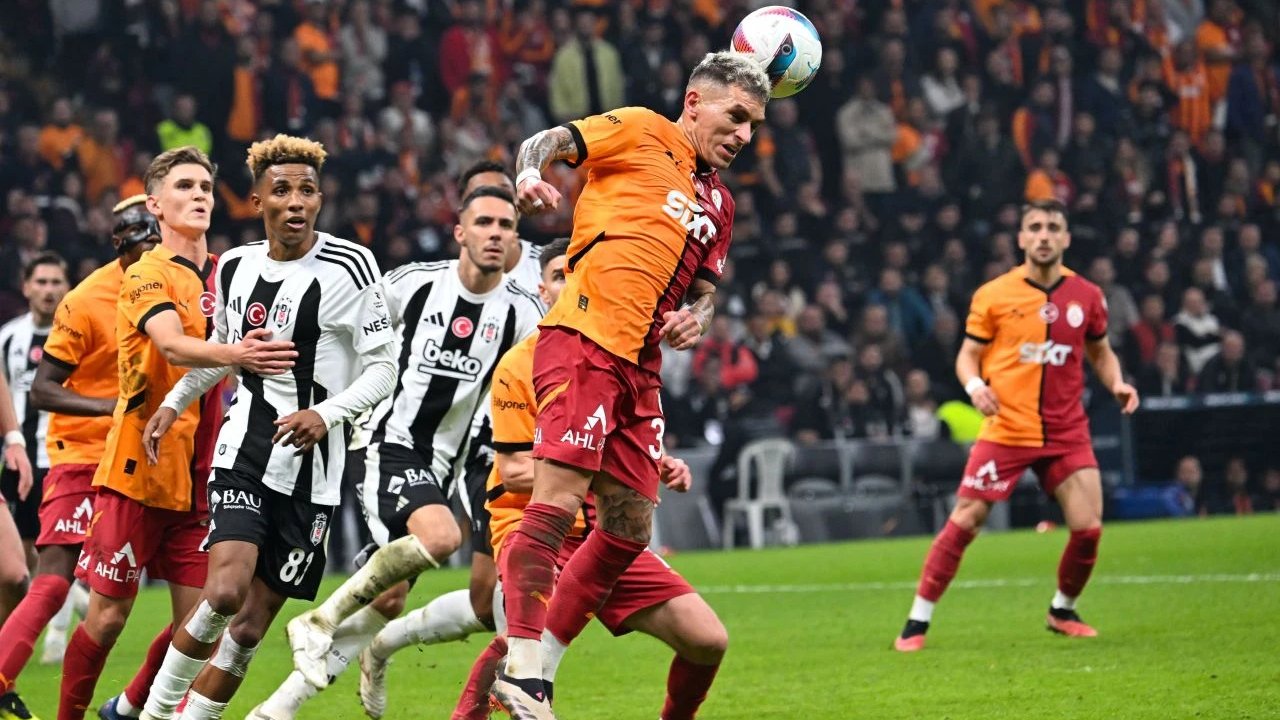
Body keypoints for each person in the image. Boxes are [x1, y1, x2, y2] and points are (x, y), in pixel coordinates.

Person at [491, 50, 767, 718]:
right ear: (695, 101)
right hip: (585, 340)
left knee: (627, 528)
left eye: (755, 126)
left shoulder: (721, 204)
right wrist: (529, 176)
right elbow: (548, 141)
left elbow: (704, 294)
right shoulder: (642, 129)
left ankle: (535, 670)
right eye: (736, 117)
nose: (744, 135)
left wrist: (697, 318)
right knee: (557, 502)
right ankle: (522, 667)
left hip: (641, 371)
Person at [135, 135, 399, 720]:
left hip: (314, 474)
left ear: (320, 199)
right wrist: (175, 401)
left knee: (250, 628)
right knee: (225, 592)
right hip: (245, 449)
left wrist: (325, 414)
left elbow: (385, 369)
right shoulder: (234, 267)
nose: (295, 201)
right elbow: (228, 351)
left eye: (307, 190)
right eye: (281, 190)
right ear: (258, 201)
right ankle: (154, 714)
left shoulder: (352, 267)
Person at [57, 146, 295, 720]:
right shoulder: (146, 273)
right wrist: (238, 354)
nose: (199, 196)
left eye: (206, 187)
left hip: (207, 471)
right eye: (185, 186)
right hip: (139, 467)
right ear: (155, 205)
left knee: (203, 620)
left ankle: (128, 707)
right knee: (108, 618)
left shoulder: (232, 272)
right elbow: (171, 345)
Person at [277, 186, 542, 702]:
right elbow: (349, 331)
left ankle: (276, 709)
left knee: (391, 597)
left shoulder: (522, 313)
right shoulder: (416, 284)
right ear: (460, 232)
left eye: (506, 226)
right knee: (441, 537)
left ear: (515, 240)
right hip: (386, 441)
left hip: (446, 465)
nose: (495, 234)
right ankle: (321, 618)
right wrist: (330, 406)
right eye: (484, 223)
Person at [450, 239, 728, 720]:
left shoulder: (622, 358)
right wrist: (604, 477)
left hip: (604, 534)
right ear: (541, 290)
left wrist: (657, 462)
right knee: (525, 645)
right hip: (538, 531)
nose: (568, 284)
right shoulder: (519, 365)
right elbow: (514, 470)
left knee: (707, 641)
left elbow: (618, 446)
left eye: (575, 274)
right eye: (557, 276)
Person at [893, 199, 1140, 652]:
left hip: (1066, 431)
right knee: (966, 519)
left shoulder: (1088, 296)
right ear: (1022, 238)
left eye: (1053, 228)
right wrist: (975, 387)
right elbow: (968, 355)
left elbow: (1101, 352)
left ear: (1066, 238)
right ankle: (916, 621)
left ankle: (1062, 610)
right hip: (1007, 428)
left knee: (1088, 528)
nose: (1044, 235)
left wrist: (1117, 383)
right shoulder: (994, 295)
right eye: (1035, 227)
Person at [0, 197, 161, 720]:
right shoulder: (87, 299)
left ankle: (131, 704)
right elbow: (41, 389)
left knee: (197, 595)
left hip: (152, 457)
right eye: (140, 238)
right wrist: (108, 407)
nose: (151, 247)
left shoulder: (181, 285)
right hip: (79, 454)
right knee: (51, 576)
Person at [0, 252, 68, 572]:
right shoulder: (8, 337)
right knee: (22, 557)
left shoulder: (78, 336)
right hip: (20, 460)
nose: (48, 290)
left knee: (62, 552)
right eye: (41, 282)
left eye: (56, 282)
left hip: (64, 459)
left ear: (67, 287)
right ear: (26, 287)